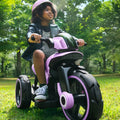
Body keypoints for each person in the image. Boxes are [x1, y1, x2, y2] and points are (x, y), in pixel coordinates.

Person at [22, 0, 85, 101]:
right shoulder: (34, 26)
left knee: (69, 55)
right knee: (38, 53)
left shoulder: (55, 27)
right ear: (38, 13)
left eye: (51, 10)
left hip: (56, 54)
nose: (50, 12)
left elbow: (65, 35)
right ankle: (43, 87)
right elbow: (30, 34)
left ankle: (75, 83)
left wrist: (76, 40)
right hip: (42, 57)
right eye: (47, 10)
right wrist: (32, 37)